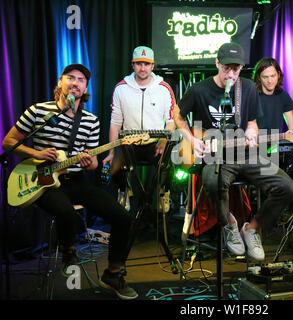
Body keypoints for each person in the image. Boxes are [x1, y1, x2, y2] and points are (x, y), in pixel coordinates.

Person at [2, 64, 138, 300]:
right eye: (70, 78)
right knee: (66, 212)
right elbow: (8, 142)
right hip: (42, 180)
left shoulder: (91, 120)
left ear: (86, 88)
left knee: (124, 217)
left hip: (74, 179)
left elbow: (94, 162)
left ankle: (113, 273)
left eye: (81, 80)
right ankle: (68, 250)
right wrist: (37, 154)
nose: (75, 83)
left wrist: (90, 163)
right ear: (60, 82)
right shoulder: (38, 111)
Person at [174, 43, 293, 261]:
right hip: (215, 155)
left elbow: (252, 122)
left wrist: (251, 132)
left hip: (245, 154)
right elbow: (178, 116)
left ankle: (251, 229)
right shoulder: (199, 90)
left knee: (287, 187)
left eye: (236, 69)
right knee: (212, 181)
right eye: (227, 68)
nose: (231, 74)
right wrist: (191, 140)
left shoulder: (247, 88)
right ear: (217, 64)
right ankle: (229, 225)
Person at [103, 46, 175, 208]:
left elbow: (171, 121)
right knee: (114, 168)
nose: (143, 68)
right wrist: (112, 151)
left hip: (154, 143)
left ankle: (163, 194)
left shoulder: (164, 88)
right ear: (133, 65)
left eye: (146, 64)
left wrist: (163, 141)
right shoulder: (121, 88)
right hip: (129, 143)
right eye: (139, 64)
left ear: (153, 66)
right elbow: (115, 122)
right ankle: (124, 192)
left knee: (167, 167)